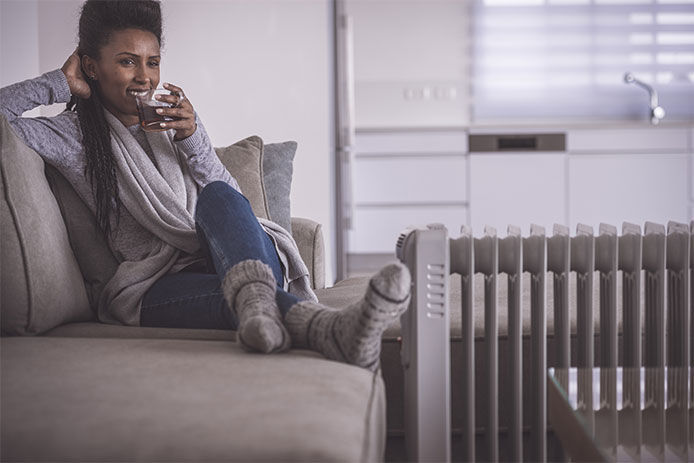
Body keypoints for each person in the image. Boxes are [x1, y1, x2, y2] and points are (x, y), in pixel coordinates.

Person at [0, 0, 410, 371]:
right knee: (242, 293)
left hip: (232, 254)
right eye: (128, 62)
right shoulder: (73, 136)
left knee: (217, 196)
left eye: (153, 62)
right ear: (92, 66)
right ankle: (329, 329)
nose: (144, 78)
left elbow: (235, 205)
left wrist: (194, 138)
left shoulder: (174, 120)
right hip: (159, 285)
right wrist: (58, 82)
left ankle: (261, 307)